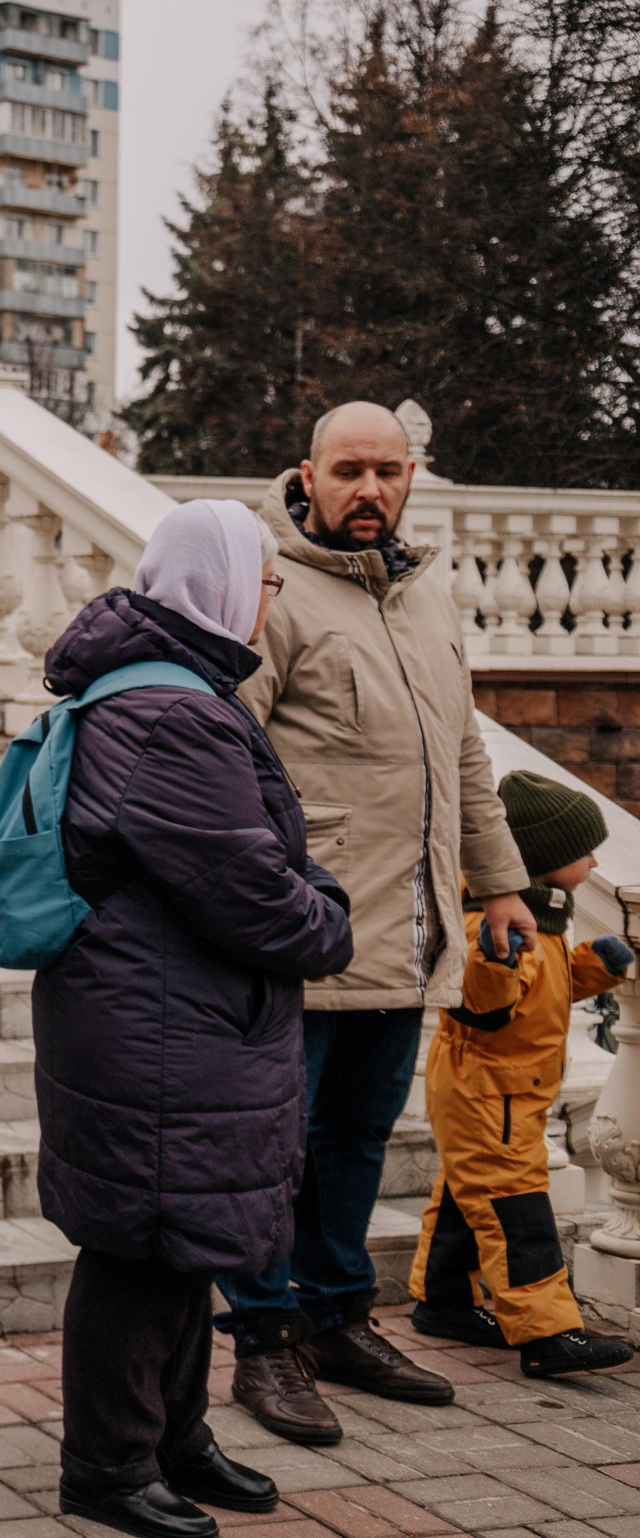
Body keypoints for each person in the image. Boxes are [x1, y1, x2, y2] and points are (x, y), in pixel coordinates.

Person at [38, 500, 356, 1538]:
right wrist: (330, 920)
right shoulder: (172, 714)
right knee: (140, 1250)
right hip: (160, 1029)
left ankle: (171, 1437)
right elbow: (251, 890)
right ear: (217, 584)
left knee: (179, 1244)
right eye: (263, 579)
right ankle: (105, 1465)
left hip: (171, 1018)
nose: (270, 597)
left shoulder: (172, 695)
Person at [222, 401, 536, 1445]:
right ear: (303, 476)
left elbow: (464, 756)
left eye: (386, 472)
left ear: (410, 477)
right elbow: (225, 762)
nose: (368, 490)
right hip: (303, 930)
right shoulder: (268, 592)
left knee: (355, 1137)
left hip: (410, 928)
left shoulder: (425, 590)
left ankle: (335, 1314)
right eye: (347, 471)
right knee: (275, 1147)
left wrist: (499, 885)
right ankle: (262, 1341)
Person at [409, 772, 636, 1377]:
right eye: (582, 850)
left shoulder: (545, 915)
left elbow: (545, 991)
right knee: (517, 1209)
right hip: (490, 1091)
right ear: (541, 858)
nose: (593, 860)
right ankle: (549, 1334)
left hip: (507, 1090)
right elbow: (482, 1005)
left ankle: (444, 1299)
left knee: (466, 1190)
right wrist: (494, 957)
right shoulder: (500, 925)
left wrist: (594, 966)